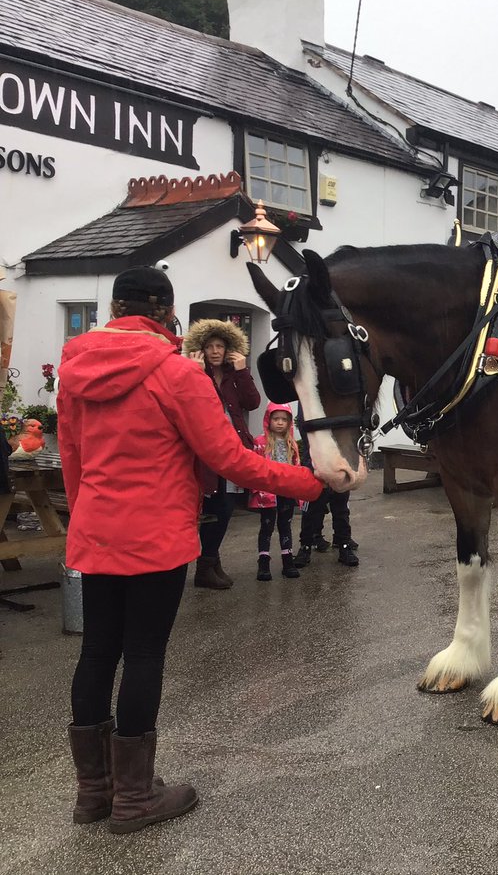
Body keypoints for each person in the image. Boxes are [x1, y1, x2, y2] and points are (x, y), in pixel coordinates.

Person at [59, 266, 324, 834]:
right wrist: (306, 481)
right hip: (153, 536)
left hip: (96, 530)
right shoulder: (177, 374)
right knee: (144, 653)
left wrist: (87, 518)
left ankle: (94, 793)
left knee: (98, 651)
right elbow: (228, 456)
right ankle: (134, 799)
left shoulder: (75, 367)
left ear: (114, 310)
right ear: (165, 314)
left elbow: (72, 455)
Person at [182, 319, 259, 589]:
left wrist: (242, 371)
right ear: (201, 349)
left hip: (231, 448)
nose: (215, 351)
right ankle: (206, 565)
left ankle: (210, 561)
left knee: (225, 507)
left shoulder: (232, 375)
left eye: (220, 346)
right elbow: (187, 404)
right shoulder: (194, 372)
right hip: (205, 452)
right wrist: (195, 372)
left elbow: (252, 402)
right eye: (210, 346)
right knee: (214, 507)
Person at [293, 405, 358, 568]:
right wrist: (312, 463)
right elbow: (305, 425)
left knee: (341, 507)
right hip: (316, 462)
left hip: (340, 460)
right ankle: (305, 546)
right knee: (311, 509)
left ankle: (344, 544)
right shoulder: (309, 395)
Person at [248, 403, 304, 580]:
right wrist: (257, 490)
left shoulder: (292, 444)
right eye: (275, 419)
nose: (280, 423)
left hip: (285, 491)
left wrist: (297, 489)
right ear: (268, 420)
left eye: (284, 419)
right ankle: (263, 562)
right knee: (266, 527)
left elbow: (296, 467)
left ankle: (287, 561)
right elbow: (254, 467)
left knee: (285, 526)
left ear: (289, 422)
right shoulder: (260, 442)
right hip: (267, 493)